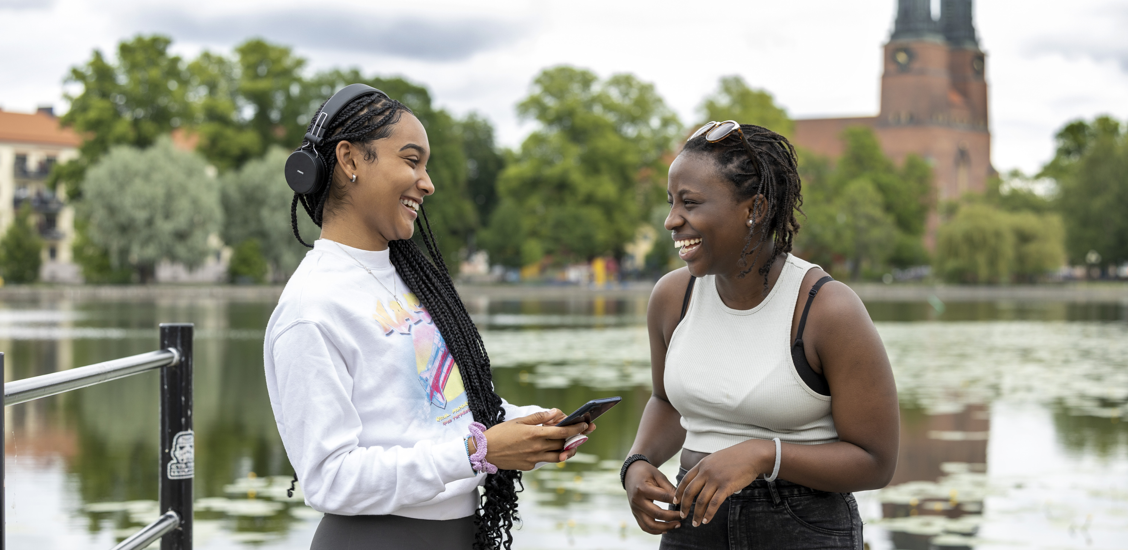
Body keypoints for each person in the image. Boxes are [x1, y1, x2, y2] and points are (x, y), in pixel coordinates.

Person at [263, 85, 592, 550]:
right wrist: (477, 453)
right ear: (350, 160)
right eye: (411, 160)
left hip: (459, 533)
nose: (427, 182)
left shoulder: (411, 278)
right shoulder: (311, 307)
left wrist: (527, 425)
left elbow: (438, 414)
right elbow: (330, 478)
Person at [621, 121, 899, 549]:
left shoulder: (825, 310)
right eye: (672, 201)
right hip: (691, 525)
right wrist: (637, 463)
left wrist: (763, 454)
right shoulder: (672, 298)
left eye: (690, 203)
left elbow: (876, 462)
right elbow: (665, 402)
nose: (671, 220)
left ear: (755, 208)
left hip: (801, 527)